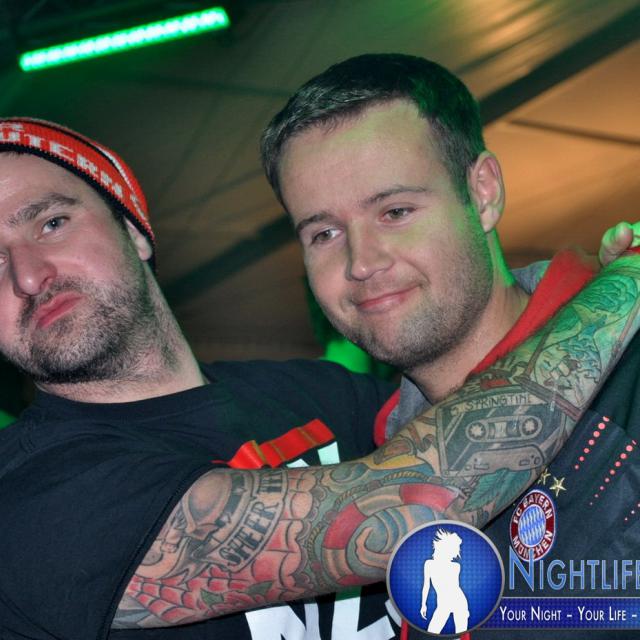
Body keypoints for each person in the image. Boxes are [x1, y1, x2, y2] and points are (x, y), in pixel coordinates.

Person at [0, 116, 634, 640]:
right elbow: (427, 498)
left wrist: (573, 285)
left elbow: (484, 379)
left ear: (133, 230)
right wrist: (623, 284)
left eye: (51, 223)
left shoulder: (320, 396)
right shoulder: (28, 504)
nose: (28, 275)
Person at [259, 53, 640, 639]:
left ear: (482, 193)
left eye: (395, 211)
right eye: (324, 232)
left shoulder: (628, 368)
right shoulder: (365, 456)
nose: (361, 262)